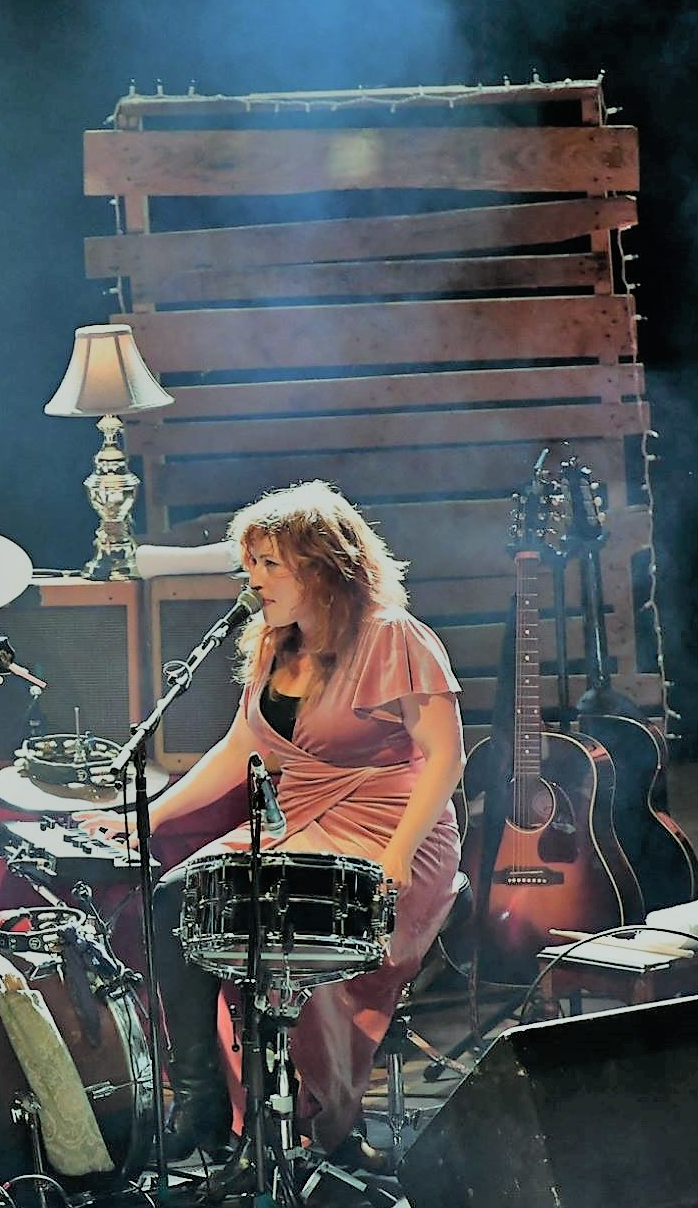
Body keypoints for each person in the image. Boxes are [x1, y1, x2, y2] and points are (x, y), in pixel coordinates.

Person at [80, 480, 464, 1163]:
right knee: (178, 898)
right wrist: (143, 819)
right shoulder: (274, 644)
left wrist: (400, 853)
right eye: (249, 563)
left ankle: (301, 1118)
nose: (252, 579)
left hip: (390, 824)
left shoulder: (392, 636)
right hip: (298, 819)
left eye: (269, 564)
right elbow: (241, 748)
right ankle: (201, 1099)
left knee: (280, 932)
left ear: (322, 565)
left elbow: (444, 756)